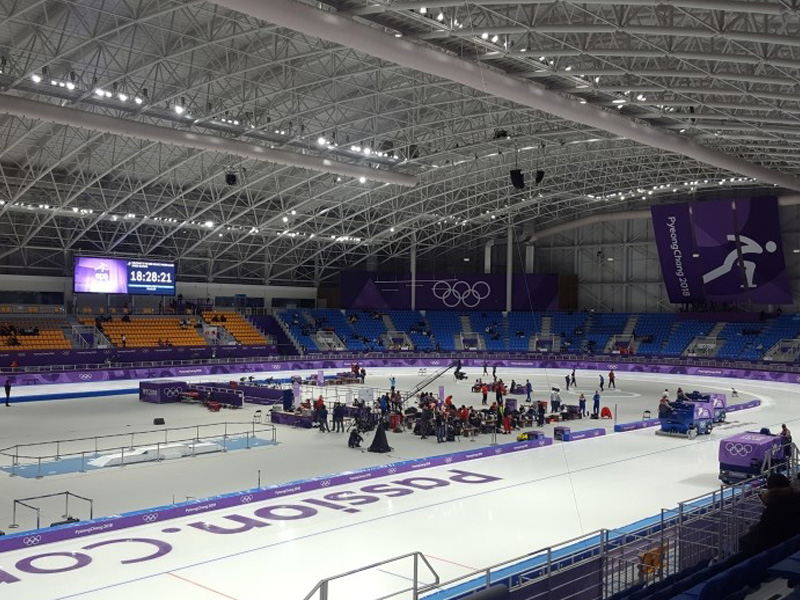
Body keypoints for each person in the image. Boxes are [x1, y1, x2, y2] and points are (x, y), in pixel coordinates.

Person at [739, 474, 800, 556]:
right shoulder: (795, 500)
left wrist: (753, 529)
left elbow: (765, 530)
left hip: (774, 546)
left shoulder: (775, 508)